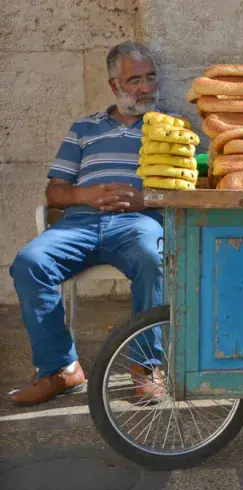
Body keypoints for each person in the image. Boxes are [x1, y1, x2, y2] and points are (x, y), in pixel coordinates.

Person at [8, 41, 167, 406]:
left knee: (152, 257)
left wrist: (146, 200)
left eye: (151, 77)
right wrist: (89, 196)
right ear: (114, 86)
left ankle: (146, 366)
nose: (146, 88)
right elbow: (56, 193)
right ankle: (61, 369)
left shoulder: (170, 126)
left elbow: (187, 187)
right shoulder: (84, 128)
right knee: (30, 263)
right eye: (134, 80)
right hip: (78, 223)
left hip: (137, 222)